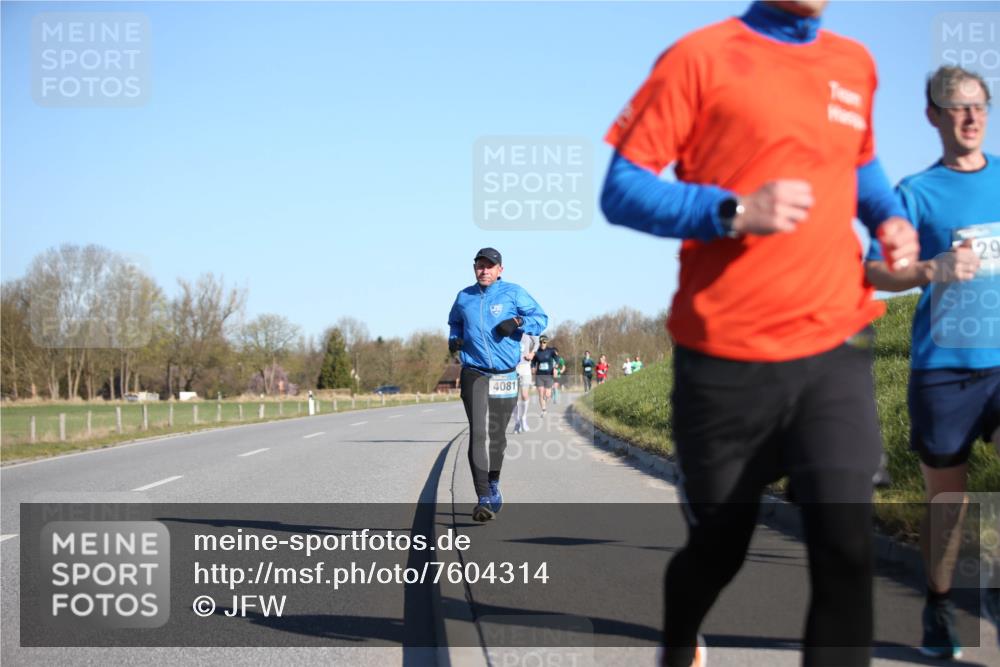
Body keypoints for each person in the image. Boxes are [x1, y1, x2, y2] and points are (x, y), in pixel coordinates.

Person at [600, 2, 919, 666]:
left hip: (834, 340)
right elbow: (622, 187)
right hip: (724, 352)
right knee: (720, 545)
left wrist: (887, 216)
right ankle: (680, 637)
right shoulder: (698, 57)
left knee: (845, 546)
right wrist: (732, 209)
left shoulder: (852, 63)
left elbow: (862, 166)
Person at [863, 66, 999, 660]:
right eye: (956, 108)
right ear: (934, 117)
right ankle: (940, 606)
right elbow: (875, 270)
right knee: (949, 501)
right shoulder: (916, 194)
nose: (969, 118)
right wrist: (931, 268)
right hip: (943, 368)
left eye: (978, 107)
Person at [448, 247, 548, 522]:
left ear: (500, 269)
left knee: (497, 435)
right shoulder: (464, 297)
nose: (484, 270)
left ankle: (493, 483)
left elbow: (542, 319)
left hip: (505, 374)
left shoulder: (514, 293)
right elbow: (454, 323)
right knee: (478, 431)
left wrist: (517, 321)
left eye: (490, 266)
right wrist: (454, 339)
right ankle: (482, 497)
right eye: (480, 265)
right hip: (474, 371)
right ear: (474, 268)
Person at [513, 331, 540, 433]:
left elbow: (537, 342)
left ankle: (523, 418)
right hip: (512, 367)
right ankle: (517, 423)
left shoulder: (528, 328)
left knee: (524, 395)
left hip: (525, 366)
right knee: (513, 397)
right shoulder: (510, 327)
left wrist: (532, 353)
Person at [531, 335, 557, 416]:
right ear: (539, 342)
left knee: (547, 394)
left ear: (547, 342)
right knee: (541, 393)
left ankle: (547, 400)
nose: (542, 343)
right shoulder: (537, 352)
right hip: (539, 375)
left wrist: (555, 367)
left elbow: (557, 359)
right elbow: (533, 362)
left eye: (544, 342)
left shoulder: (551, 351)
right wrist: (532, 367)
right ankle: (543, 409)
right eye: (541, 342)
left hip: (549, 375)